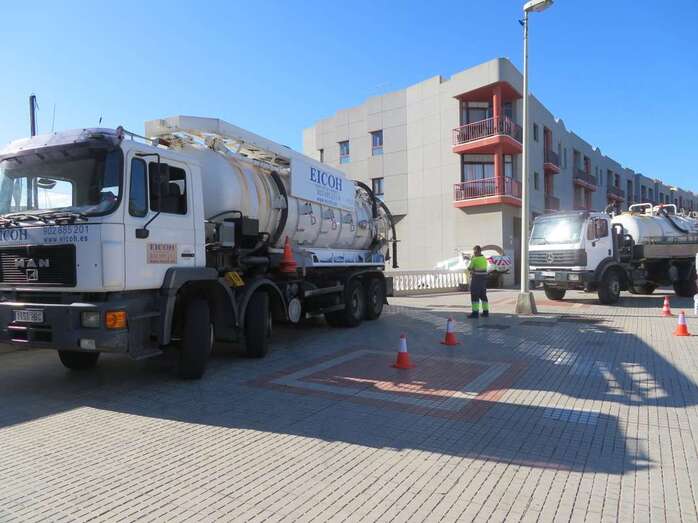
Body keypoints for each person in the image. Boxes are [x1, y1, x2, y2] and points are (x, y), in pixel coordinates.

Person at [467, 245, 489, 318]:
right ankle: (486, 312)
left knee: (474, 296)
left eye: (475, 252)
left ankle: (475, 313)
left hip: (476, 279)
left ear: (477, 251)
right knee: (483, 296)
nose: (474, 253)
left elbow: (469, 268)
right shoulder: (484, 258)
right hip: (483, 280)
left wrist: (471, 261)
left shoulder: (474, 259)